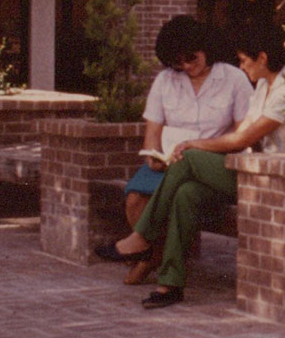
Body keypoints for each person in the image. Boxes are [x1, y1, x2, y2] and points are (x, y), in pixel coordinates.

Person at [116, 25, 285, 307]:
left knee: (190, 157)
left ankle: (143, 236)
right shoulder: (263, 86)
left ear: (263, 58)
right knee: (186, 194)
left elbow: (243, 137)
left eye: (244, 61)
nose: (242, 68)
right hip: (257, 171)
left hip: (283, 178)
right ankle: (170, 283)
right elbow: (243, 134)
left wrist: (194, 145)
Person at [95, 15, 249, 262]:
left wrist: (199, 149)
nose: (187, 66)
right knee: (135, 197)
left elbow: (244, 135)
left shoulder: (233, 79)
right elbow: (152, 134)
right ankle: (153, 255)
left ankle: (148, 252)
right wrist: (153, 159)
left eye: (191, 58)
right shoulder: (165, 81)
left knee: (181, 193)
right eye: (178, 62)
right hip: (169, 160)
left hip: (210, 162)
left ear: (205, 48)